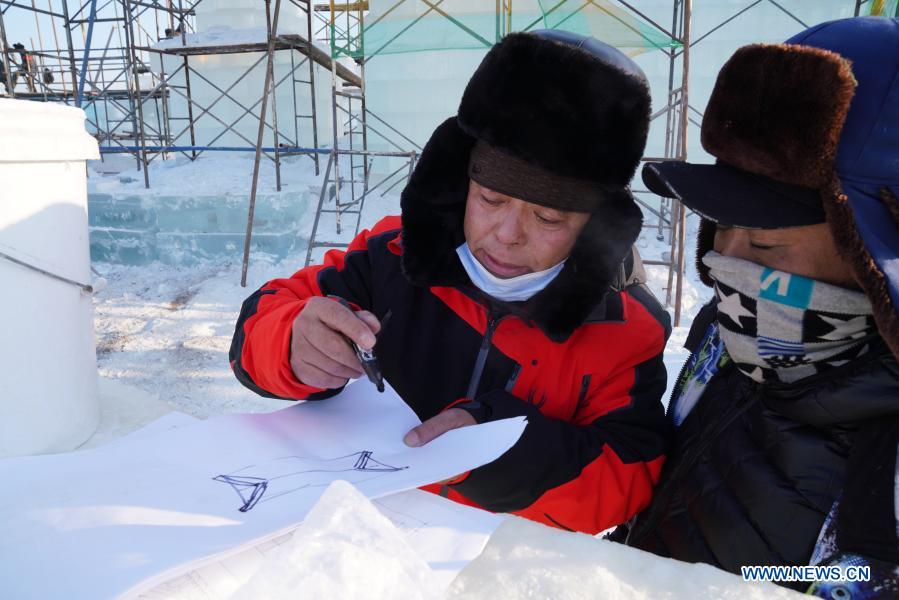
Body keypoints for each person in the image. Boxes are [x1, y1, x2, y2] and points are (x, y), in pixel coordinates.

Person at [230, 30, 672, 535]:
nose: (506, 236)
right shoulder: (391, 253)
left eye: (547, 218)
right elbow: (263, 323)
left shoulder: (625, 326)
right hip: (349, 543)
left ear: (590, 223)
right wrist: (289, 341)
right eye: (489, 199)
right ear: (464, 183)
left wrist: (500, 451)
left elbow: (631, 476)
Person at [622, 16, 899, 596]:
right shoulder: (724, 336)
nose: (730, 260)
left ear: (877, 253)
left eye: (767, 242)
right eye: (718, 227)